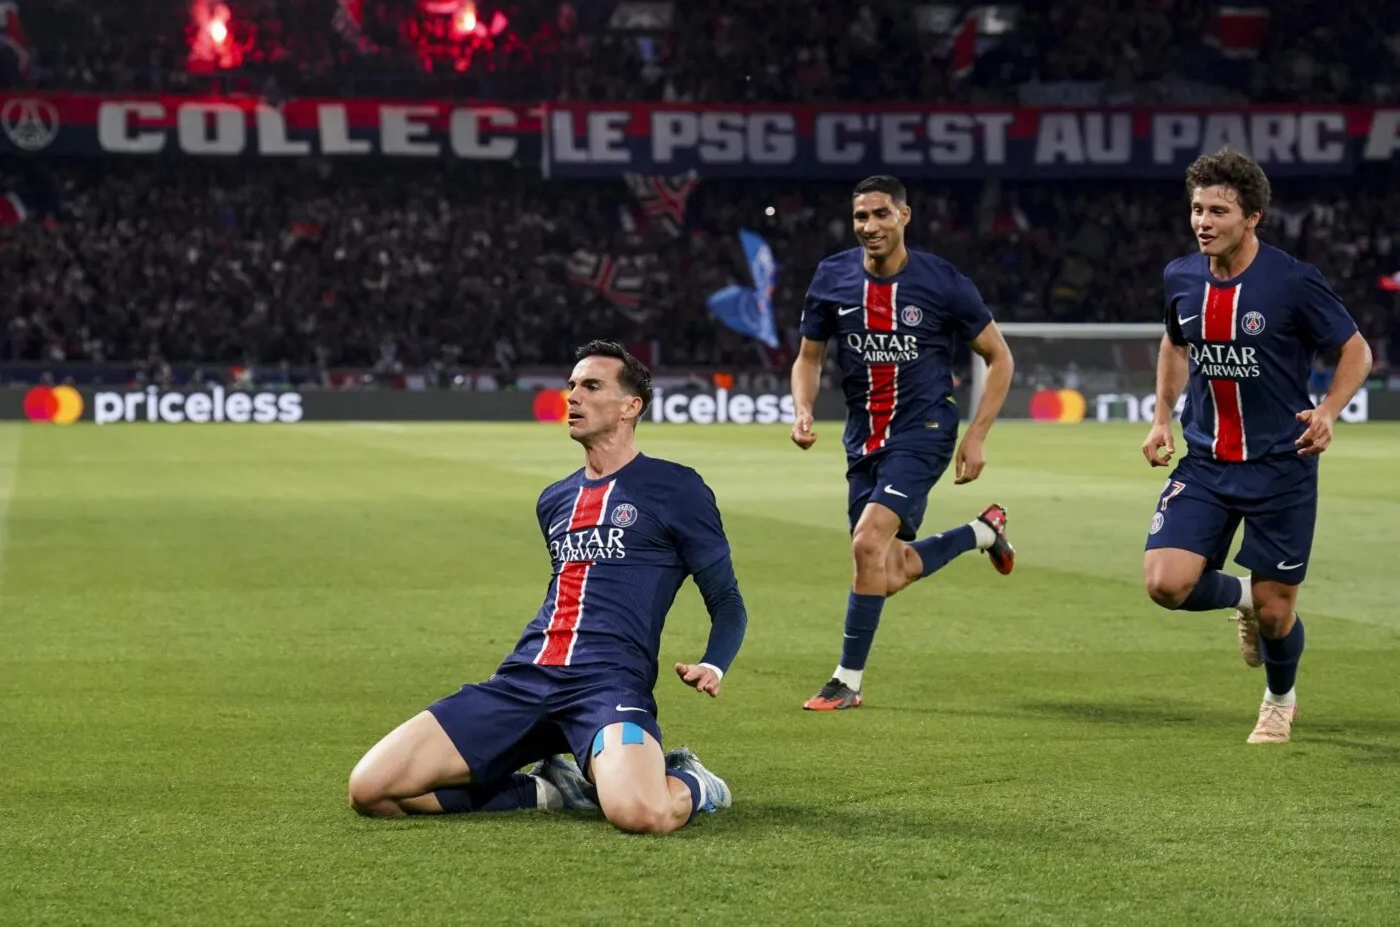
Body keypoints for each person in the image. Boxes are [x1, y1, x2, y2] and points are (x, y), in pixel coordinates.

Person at [348, 340, 749, 832]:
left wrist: (714, 663)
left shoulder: (678, 488)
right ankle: (550, 790)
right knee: (371, 789)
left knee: (642, 813)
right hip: (525, 679)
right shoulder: (554, 500)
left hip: (608, 684)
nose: (573, 396)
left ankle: (693, 780)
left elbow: (727, 601)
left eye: (591, 386)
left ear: (631, 406)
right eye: (572, 385)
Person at [1141, 148, 1372, 744]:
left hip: (1281, 466)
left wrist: (1328, 410)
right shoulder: (1181, 277)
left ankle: (1279, 700)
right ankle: (1245, 596)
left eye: (1218, 211)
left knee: (1277, 613)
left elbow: (1356, 350)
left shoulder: (1292, 281)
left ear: (1253, 217)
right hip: (1206, 462)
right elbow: (1175, 343)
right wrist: (1162, 418)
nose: (1203, 222)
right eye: (1197, 209)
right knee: (1165, 583)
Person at [789, 174, 1017, 711]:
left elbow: (999, 357)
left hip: (924, 431)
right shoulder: (832, 277)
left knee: (866, 544)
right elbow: (808, 358)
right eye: (861, 217)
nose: (870, 226)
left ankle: (847, 681)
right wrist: (802, 408)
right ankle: (981, 532)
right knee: (887, 571)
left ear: (903, 216)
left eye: (881, 214)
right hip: (862, 439)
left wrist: (977, 435)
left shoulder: (942, 282)